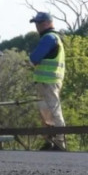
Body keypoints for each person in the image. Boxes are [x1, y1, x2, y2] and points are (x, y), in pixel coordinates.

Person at [29, 12, 67, 151]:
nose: (38, 26)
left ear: (48, 23)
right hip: (46, 81)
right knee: (46, 112)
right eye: (37, 23)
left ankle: (59, 143)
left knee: (53, 111)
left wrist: (31, 61)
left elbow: (35, 57)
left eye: (40, 23)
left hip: (48, 81)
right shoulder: (53, 37)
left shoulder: (49, 37)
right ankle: (50, 141)